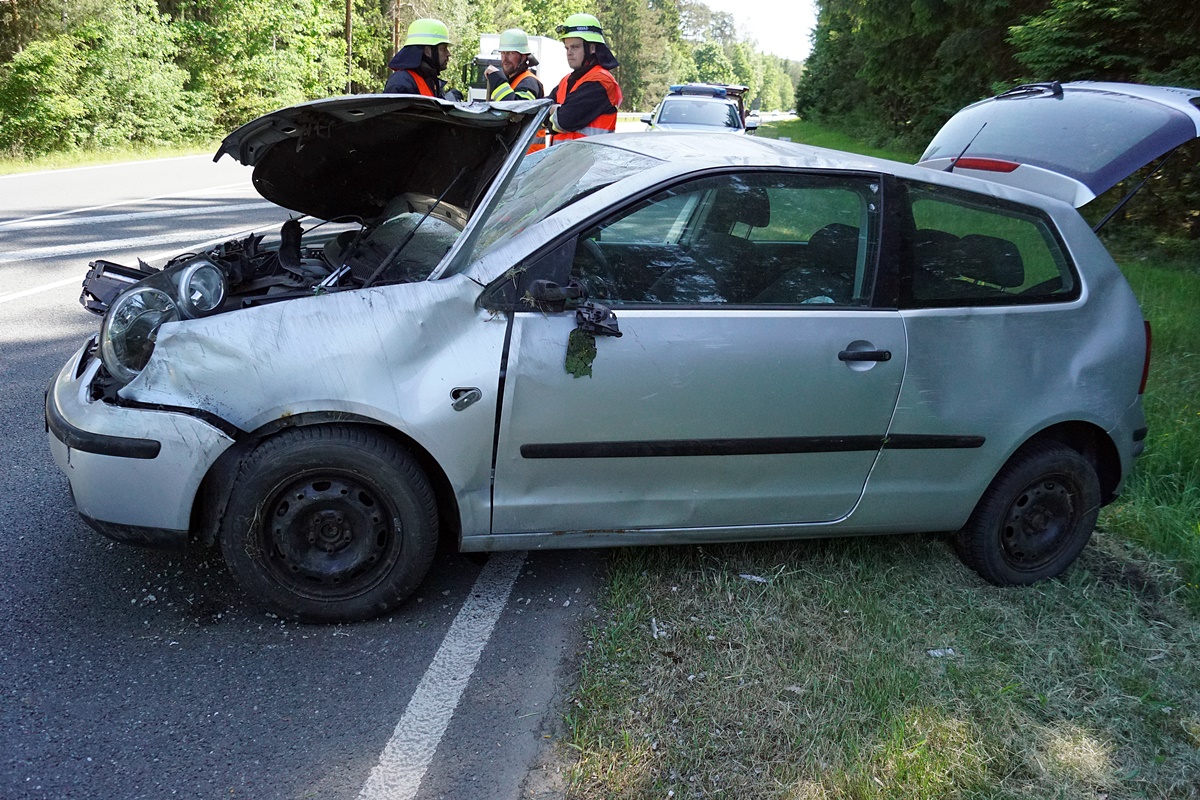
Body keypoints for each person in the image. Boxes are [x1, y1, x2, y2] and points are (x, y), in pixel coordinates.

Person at [548, 13, 622, 143]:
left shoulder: (601, 82)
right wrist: (555, 112)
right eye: (567, 48)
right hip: (562, 161)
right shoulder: (566, 81)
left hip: (591, 161)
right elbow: (540, 114)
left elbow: (564, 120)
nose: (569, 53)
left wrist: (553, 112)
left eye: (575, 47)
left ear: (592, 48)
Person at [384, 18, 458, 99]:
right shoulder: (400, 83)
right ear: (428, 51)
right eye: (443, 49)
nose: (448, 54)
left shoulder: (430, 81)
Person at [484, 29, 545, 102]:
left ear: (523, 57)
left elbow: (517, 108)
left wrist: (496, 78)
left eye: (510, 53)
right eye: (503, 53)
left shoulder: (530, 82)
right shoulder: (512, 81)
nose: (505, 58)